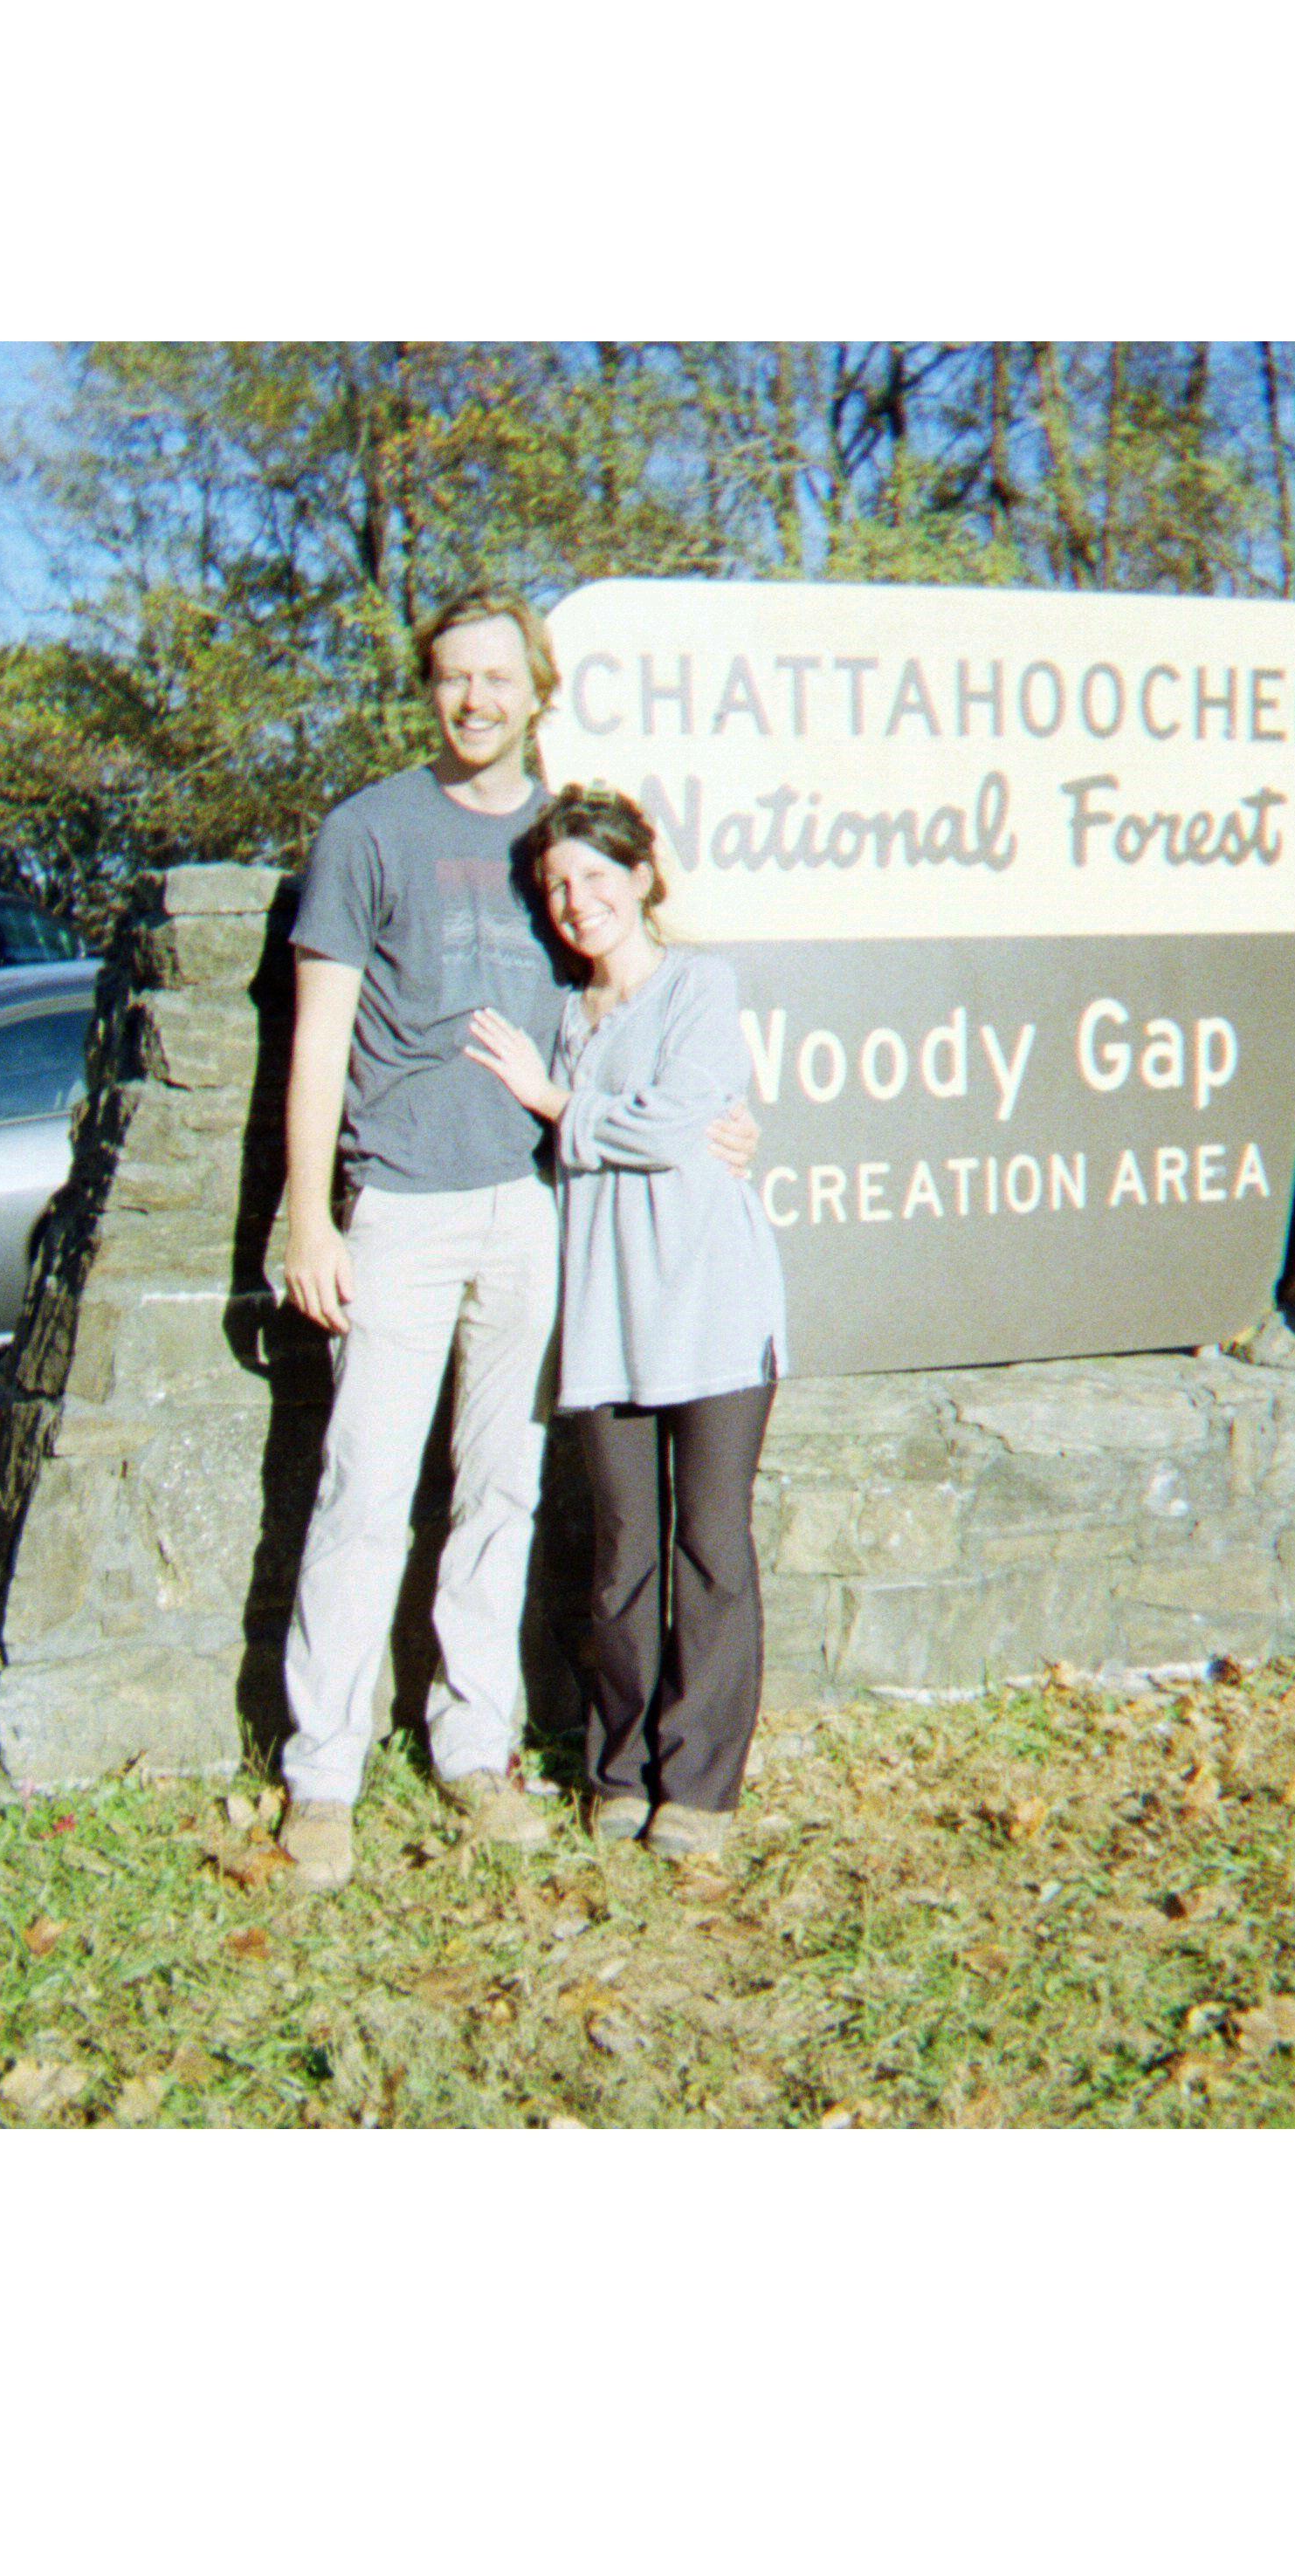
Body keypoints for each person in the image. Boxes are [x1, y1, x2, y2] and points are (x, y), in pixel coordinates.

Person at [276, 596, 751, 1893]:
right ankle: (322, 1775)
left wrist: (720, 1114)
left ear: (538, 689)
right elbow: (318, 1032)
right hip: (404, 1207)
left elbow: (635, 985)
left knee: (502, 1493)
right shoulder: (368, 830)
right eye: (451, 678)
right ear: (427, 690)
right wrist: (303, 1210)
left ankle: (473, 1752)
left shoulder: (555, 841)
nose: (474, 700)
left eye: (498, 678)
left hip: (539, 1212)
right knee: (364, 1491)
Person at [465, 786, 789, 1863]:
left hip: (713, 1308)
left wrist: (561, 1110)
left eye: (597, 877)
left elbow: (682, 1125)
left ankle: (696, 1790)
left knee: (709, 1551)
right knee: (618, 1560)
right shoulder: (561, 1015)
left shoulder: (700, 984)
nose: (576, 902)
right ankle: (620, 1766)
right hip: (604, 1314)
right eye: (557, 886)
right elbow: (646, 1135)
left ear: (645, 877)